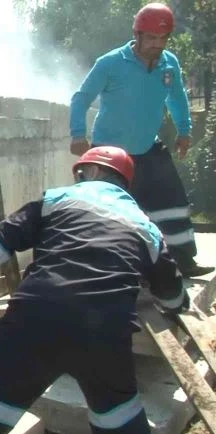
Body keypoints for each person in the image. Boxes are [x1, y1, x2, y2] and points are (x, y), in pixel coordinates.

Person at [0, 146, 189, 434]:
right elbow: (170, 292)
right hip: (104, 330)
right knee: (120, 423)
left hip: (37, 315)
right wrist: (180, 305)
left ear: (90, 171)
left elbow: (4, 236)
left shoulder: (59, 199)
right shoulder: (147, 228)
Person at [69, 3, 212, 278]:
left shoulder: (169, 63)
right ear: (137, 35)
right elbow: (81, 98)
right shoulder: (110, 63)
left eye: (163, 38)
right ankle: (104, 270)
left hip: (148, 147)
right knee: (107, 212)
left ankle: (183, 262)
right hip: (109, 154)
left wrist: (184, 130)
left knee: (172, 202)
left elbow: (178, 98)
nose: (157, 45)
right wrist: (77, 133)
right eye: (151, 38)